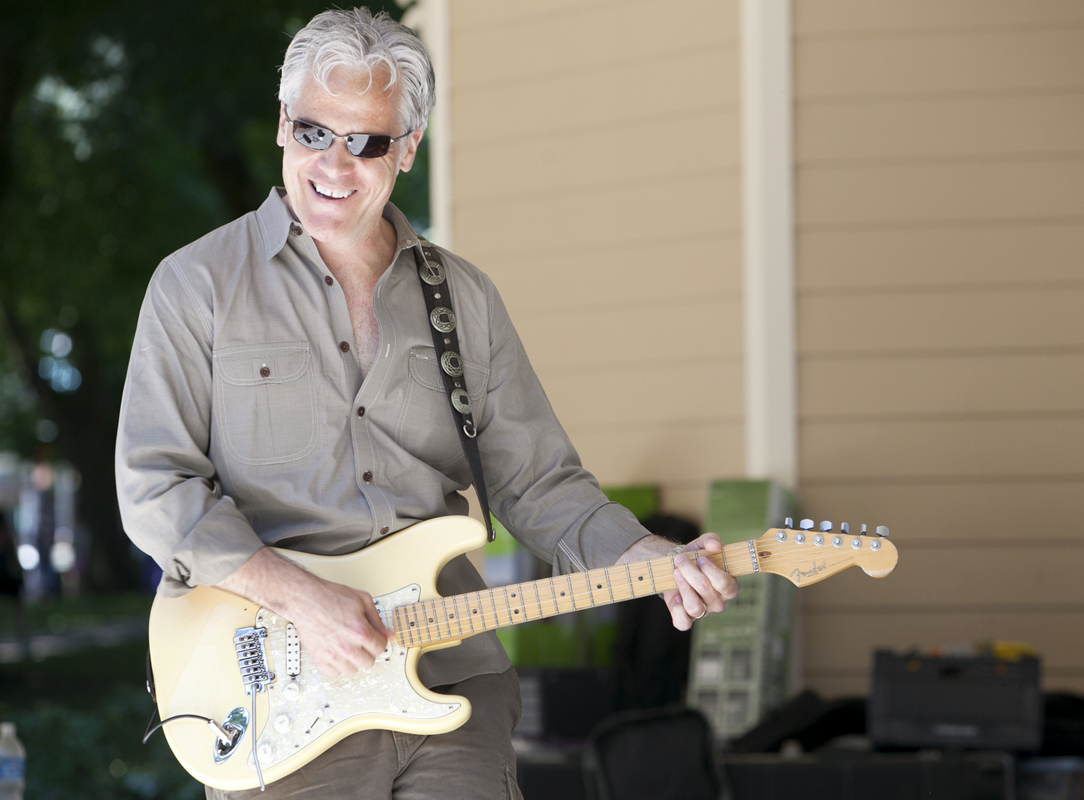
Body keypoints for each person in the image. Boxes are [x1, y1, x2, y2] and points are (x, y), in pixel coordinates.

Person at [115, 8, 737, 799]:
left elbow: (536, 482)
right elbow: (154, 489)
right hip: (276, 695)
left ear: (407, 148)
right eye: (313, 132)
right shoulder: (197, 285)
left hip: (452, 680)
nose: (333, 163)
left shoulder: (463, 299)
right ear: (281, 126)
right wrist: (302, 598)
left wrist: (636, 555)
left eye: (366, 141)